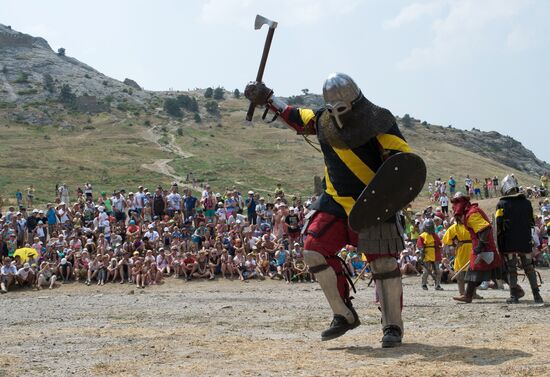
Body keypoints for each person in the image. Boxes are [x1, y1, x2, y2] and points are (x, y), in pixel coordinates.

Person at [245, 72, 412, 347]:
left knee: (383, 264)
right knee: (312, 249)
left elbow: (401, 160)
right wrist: (268, 98)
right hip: (334, 202)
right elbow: (294, 115)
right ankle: (343, 313)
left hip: (373, 202)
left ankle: (392, 325)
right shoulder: (322, 119)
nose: (337, 113)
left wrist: (393, 191)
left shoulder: (378, 119)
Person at [496, 175, 543, 303]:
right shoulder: (527, 203)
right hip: (524, 239)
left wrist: (499, 244)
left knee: (511, 268)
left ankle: (513, 296)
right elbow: (532, 222)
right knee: (529, 267)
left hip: (509, 241)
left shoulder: (501, 204)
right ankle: (537, 296)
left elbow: (498, 224)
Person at [451, 192, 501, 303]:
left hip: (484, 247)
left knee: (492, 269)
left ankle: (516, 289)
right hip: (483, 246)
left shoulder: (472, 214)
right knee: (477, 269)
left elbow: (485, 229)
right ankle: (468, 295)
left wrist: (479, 246)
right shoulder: (471, 212)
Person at [417, 219, 443, 291]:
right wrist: (421, 255)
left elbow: (440, 244)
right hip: (426, 254)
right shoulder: (422, 236)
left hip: (435, 254)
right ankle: (424, 284)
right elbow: (420, 246)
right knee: (426, 271)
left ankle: (437, 285)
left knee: (437, 270)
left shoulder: (435, 235)